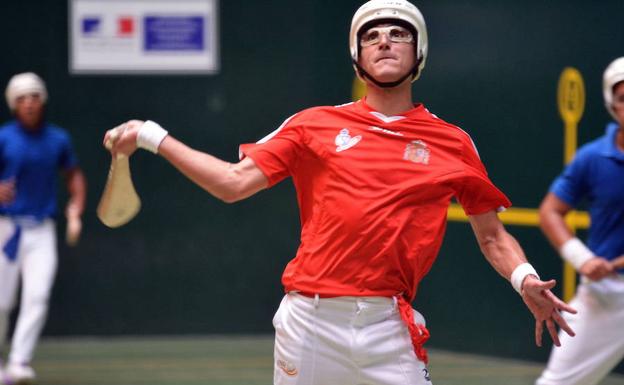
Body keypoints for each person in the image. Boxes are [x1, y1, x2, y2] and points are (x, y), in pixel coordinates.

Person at [105, 1, 576, 384]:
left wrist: (525, 279)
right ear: (357, 56)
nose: (385, 41)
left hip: (388, 324)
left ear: (420, 54)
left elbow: (492, 236)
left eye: (398, 33)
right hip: (309, 322)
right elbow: (232, 183)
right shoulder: (313, 124)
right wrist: (151, 136)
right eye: (371, 36)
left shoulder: (453, 142)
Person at [535, 57, 624, 385]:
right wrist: (582, 259)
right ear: (611, 103)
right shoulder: (592, 157)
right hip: (607, 294)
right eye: (623, 97)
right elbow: (550, 212)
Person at [0, 72, 87, 384]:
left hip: (42, 231)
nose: (29, 103)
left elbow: (73, 174)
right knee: (1, 302)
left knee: (37, 296)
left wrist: (76, 205)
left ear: (43, 101)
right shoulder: (3, 138)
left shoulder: (58, 139)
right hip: (6, 229)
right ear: (13, 104)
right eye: (22, 98)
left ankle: (19, 362)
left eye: (35, 96)